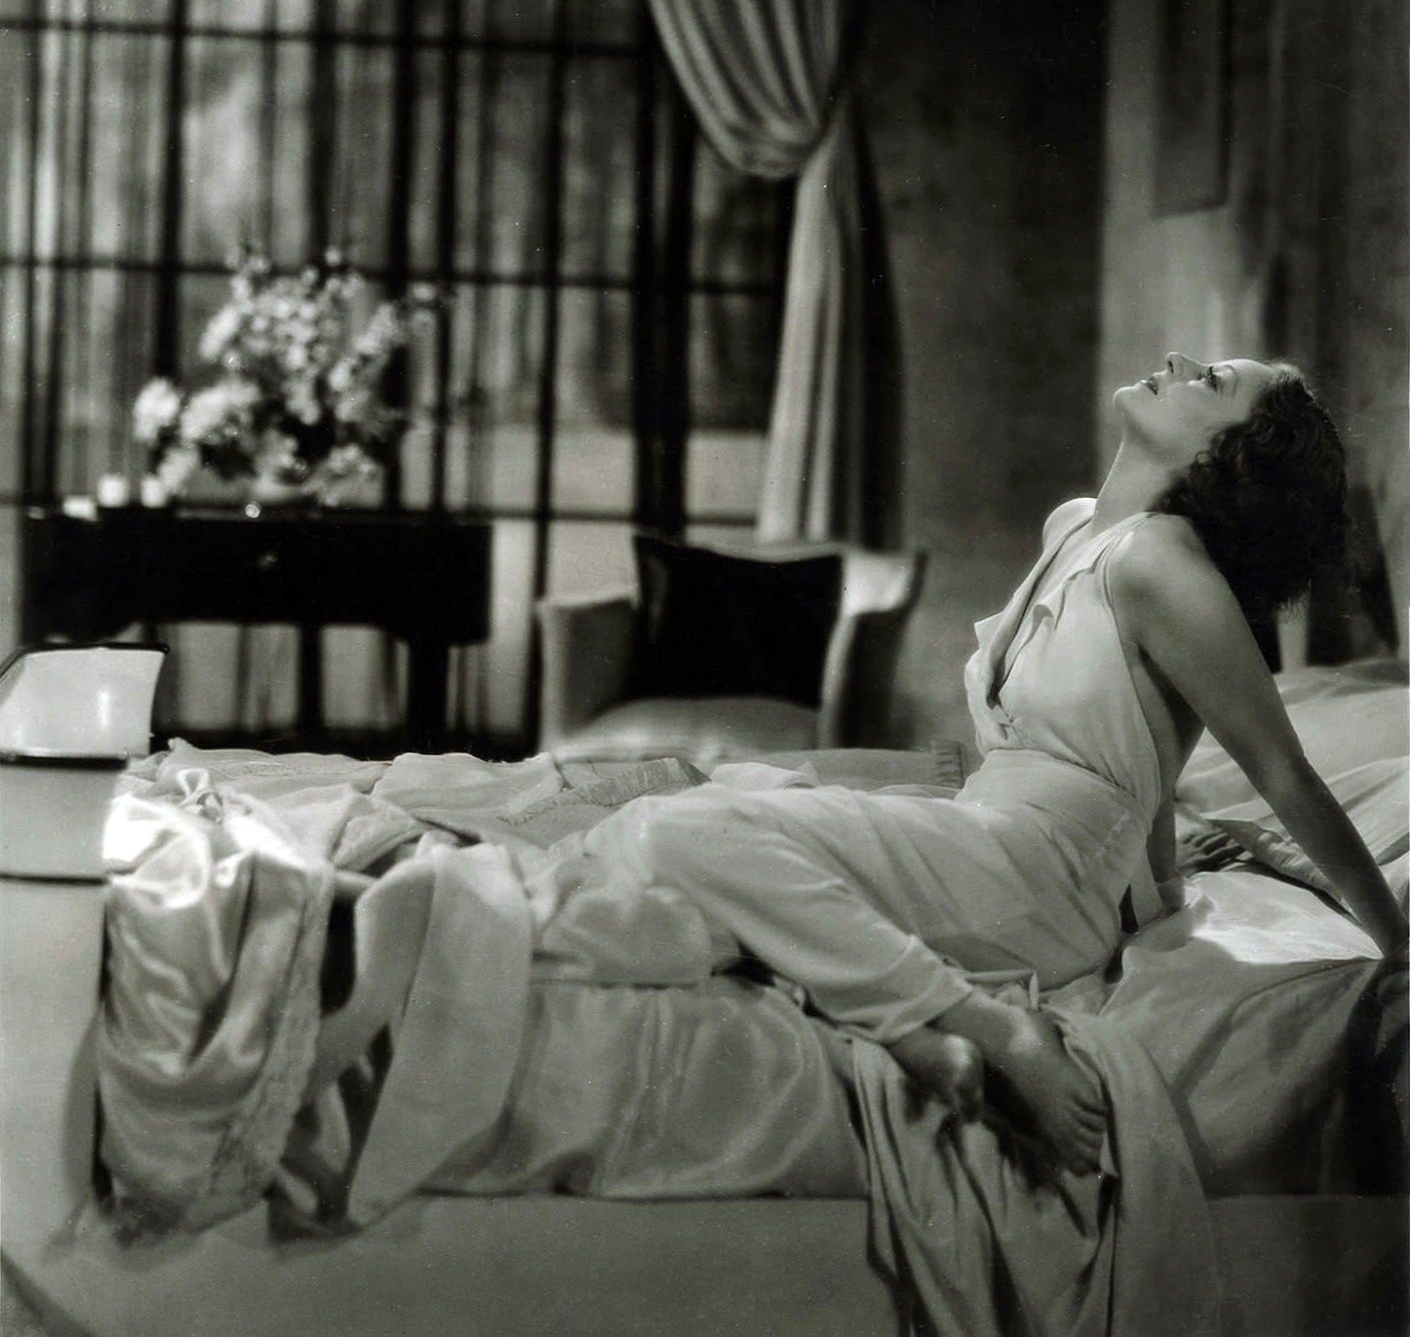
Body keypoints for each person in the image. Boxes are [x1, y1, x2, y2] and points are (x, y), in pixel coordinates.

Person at [319, 352, 1407, 1177]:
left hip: (1044, 880)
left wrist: (1396, 939)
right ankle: (439, 927)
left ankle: (982, 1024)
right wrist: (1161, 883)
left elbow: (1284, 775)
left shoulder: (1168, 566)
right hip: (991, 842)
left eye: (1212, 381)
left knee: (693, 828)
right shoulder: (1076, 528)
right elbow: (1142, 766)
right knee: (665, 839)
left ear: (1226, 455)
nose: (1178, 362)